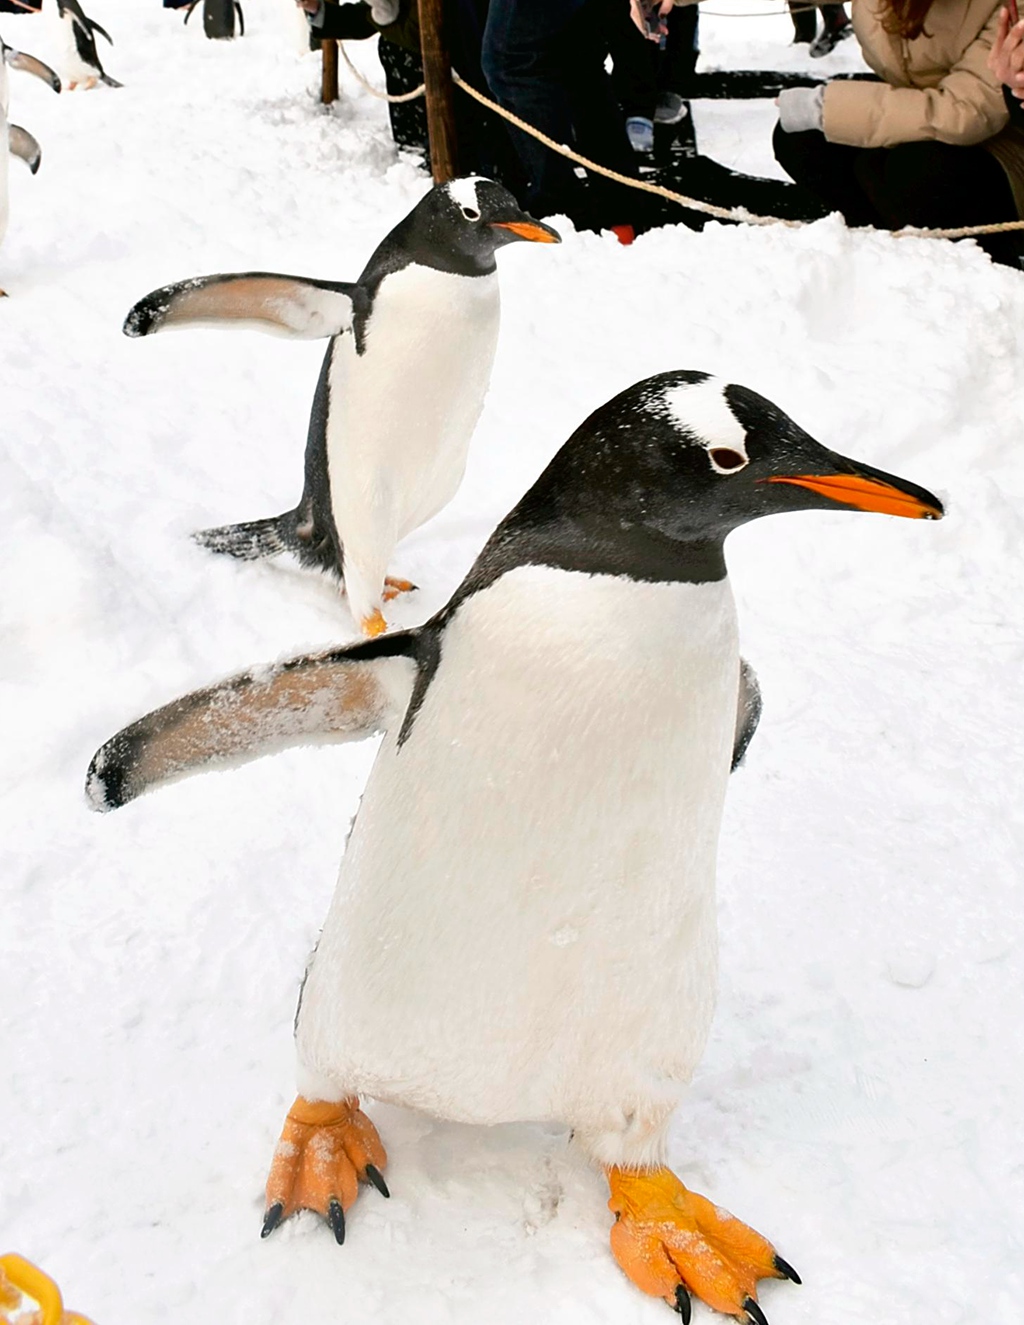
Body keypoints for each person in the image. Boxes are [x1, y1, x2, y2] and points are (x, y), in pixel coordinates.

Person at [772, 0, 1024, 264]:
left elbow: (966, 112)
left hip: (1004, 140)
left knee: (915, 169)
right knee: (805, 139)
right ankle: (880, 247)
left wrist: (827, 106)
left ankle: (984, 260)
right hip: (928, 121)